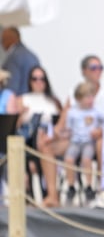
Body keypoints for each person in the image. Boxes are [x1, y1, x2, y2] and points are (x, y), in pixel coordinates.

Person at [17, 66, 68, 207]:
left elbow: (62, 123)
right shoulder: (22, 100)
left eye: (42, 79)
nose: (38, 82)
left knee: (45, 141)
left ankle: (52, 194)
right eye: (35, 79)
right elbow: (15, 126)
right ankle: (50, 194)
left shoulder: (53, 101)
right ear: (30, 81)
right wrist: (21, 115)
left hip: (52, 136)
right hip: (29, 139)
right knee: (42, 142)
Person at [57, 81, 104, 205]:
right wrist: (62, 134)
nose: (90, 100)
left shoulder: (96, 111)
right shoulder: (72, 112)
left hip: (88, 142)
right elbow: (68, 128)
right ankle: (71, 186)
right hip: (75, 141)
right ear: (79, 99)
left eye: (92, 97)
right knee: (69, 159)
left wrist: (99, 130)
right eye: (87, 97)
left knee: (86, 159)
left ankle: (88, 186)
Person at [1, 26, 40, 95]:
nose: (1, 42)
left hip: (18, 101)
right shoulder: (32, 55)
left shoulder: (13, 57)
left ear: (10, 39)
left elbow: (11, 88)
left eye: (3, 39)